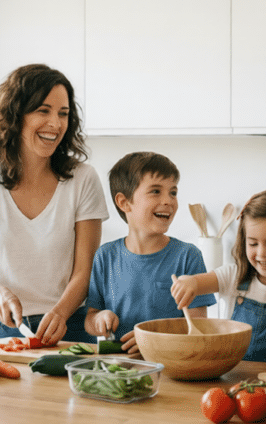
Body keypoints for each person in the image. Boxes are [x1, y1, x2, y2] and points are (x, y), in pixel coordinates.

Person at [0, 63, 109, 345]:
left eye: (63, 114)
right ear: (15, 115)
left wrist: (60, 313)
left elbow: (85, 271)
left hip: (67, 325)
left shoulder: (83, 179)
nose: (56, 124)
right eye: (43, 110)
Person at [171, 190, 266, 365]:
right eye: (252, 243)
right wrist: (189, 282)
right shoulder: (233, 276)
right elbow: (198, 283)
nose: (261, 253)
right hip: (232, 380)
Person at [85, 152, 217, 357]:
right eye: (156, 191)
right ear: (124, 202)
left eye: (173, 192)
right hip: (118, 367)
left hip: (171, 367)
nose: (168, 200)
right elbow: (90, 317)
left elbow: (197, 329)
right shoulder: (105, 256)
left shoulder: (188, 257)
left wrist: (151, 340)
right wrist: (99, 319)